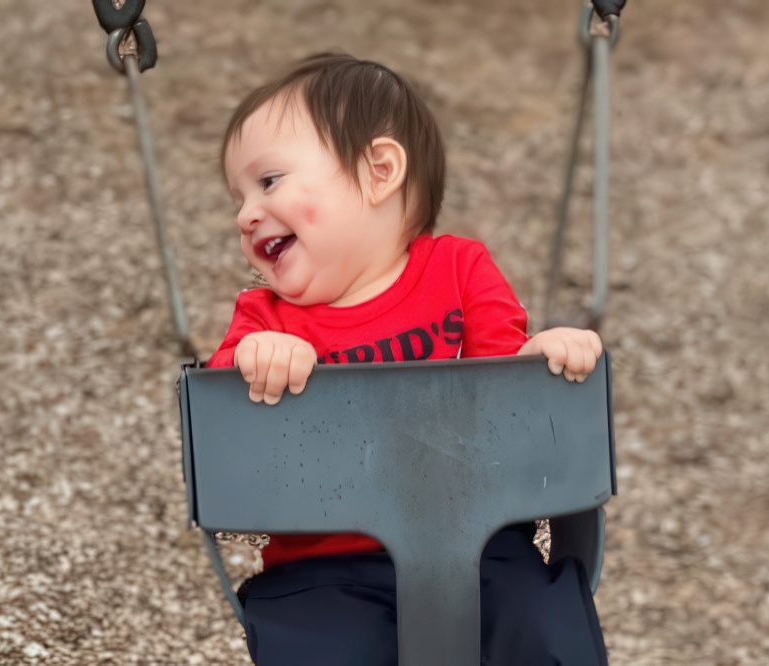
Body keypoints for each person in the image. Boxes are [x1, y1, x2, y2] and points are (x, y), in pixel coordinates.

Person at [207, 52, 607, 665]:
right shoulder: (264, 319)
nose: (245, 215)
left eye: (268, 181)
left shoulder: (461, 271)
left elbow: (508, 393)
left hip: (481, 547)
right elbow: (226, 434)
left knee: (544, 625)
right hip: (321, 568)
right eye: (238, 196)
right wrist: (252, 362)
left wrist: (543, 362)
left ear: (380, 170)